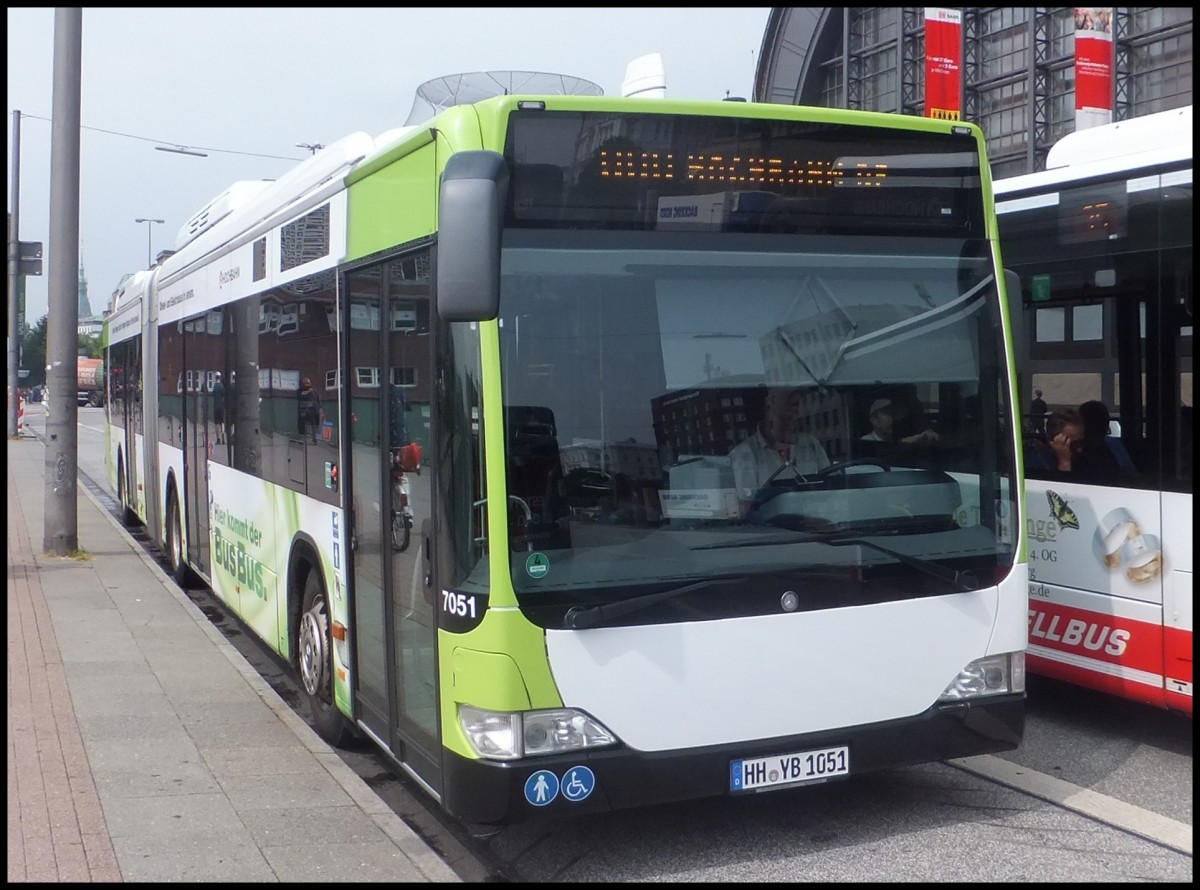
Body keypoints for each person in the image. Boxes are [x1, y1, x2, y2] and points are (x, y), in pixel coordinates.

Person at [729, 387, 831, 514]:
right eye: (788, 416)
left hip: (822, 528)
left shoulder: (811, 445)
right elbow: (747, 509)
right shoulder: (743, 455)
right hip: (775, 532)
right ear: (769, 410)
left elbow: (832, 487)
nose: (796, 419)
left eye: (798, 413)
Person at [860, 398, 938, 446]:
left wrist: (922, 436)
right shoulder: (866, 442)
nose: (894, 419)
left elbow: (901, 442)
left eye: (895, 414)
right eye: (889, 414)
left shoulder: (893, 440)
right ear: (874, 420)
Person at [298, 376, 322, 443]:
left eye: (309, 383)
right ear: (303, 384)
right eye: (306, 383)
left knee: (314, 425)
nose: (308, 385)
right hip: (304, 412)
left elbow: (318, 401)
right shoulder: (300, 390)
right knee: (302, 426)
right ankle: (302, 439)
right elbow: (300, 396)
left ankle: (314, 439)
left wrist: (321, 411)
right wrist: (308, 391)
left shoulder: (314, 391)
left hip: (313, 412)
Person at [212, 372, 226, 444]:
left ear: (215, 378)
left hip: (216, 406)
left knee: (216, 423)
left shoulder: (214, 386)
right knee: (222, 422)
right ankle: (223, 435)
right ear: (220, 377)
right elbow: (224, 395)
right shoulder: (222, 386)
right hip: (221, 406)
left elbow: (213, 394)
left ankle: (218, 439)